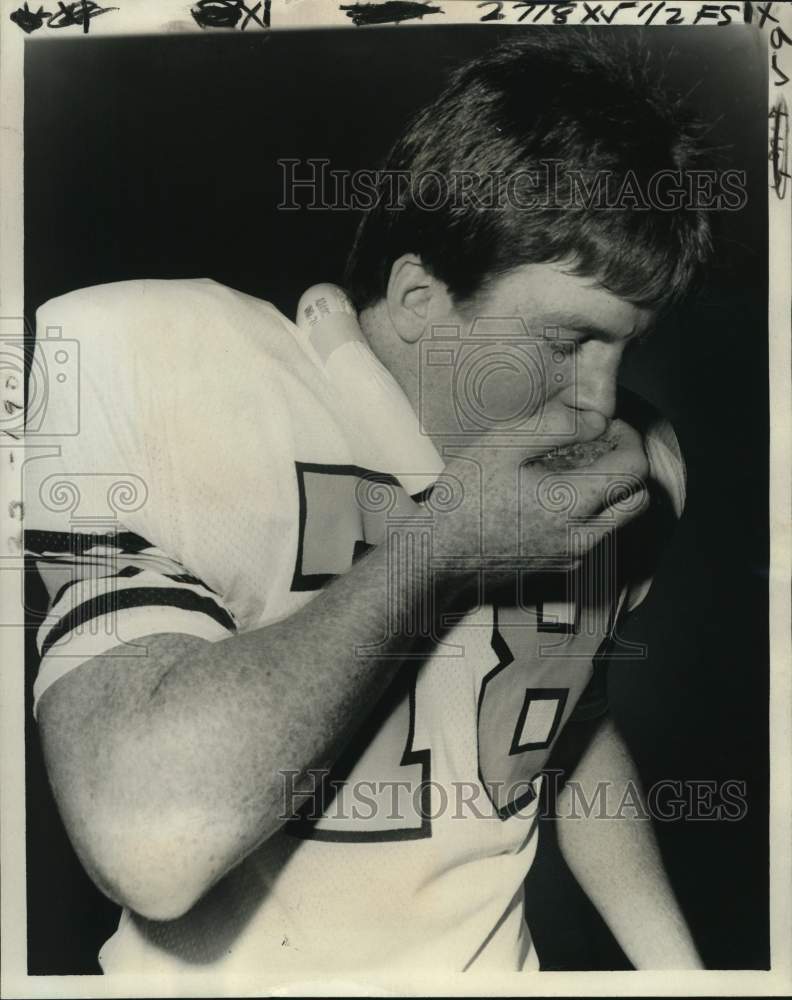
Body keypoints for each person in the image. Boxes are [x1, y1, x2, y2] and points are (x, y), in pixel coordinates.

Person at [25, 33, 711, 974]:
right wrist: (438, 551)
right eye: (565, 342)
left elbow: (560, 718)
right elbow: (149, 848)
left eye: (622, 349)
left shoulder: (629, 464)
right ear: (422, 297)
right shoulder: (182, 376)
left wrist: (684, 977)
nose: (598, 399)